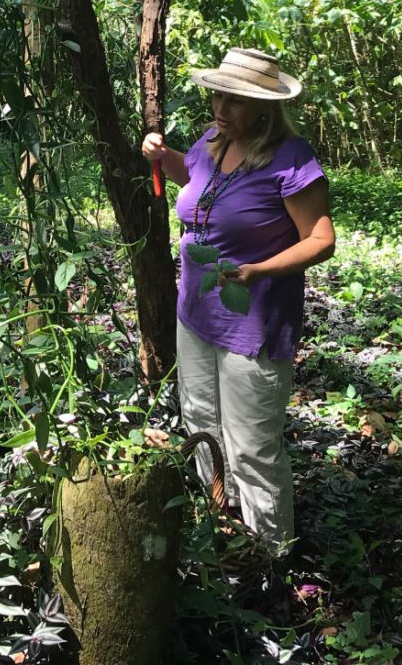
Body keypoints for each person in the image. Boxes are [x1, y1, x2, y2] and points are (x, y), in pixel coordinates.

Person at [142, 47, 335, 552]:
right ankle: (220, 529)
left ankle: (272, 556)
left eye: (236, 100)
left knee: (252, 447)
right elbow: (203, 186)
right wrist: (165, 159)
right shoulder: (212, 140)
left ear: (265, 108)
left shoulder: (292, 158)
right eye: (218, 95)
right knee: (201, 423)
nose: (222, 107)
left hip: (253, 322)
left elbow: (321, 239)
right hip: (196, 310)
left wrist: (258, 271)